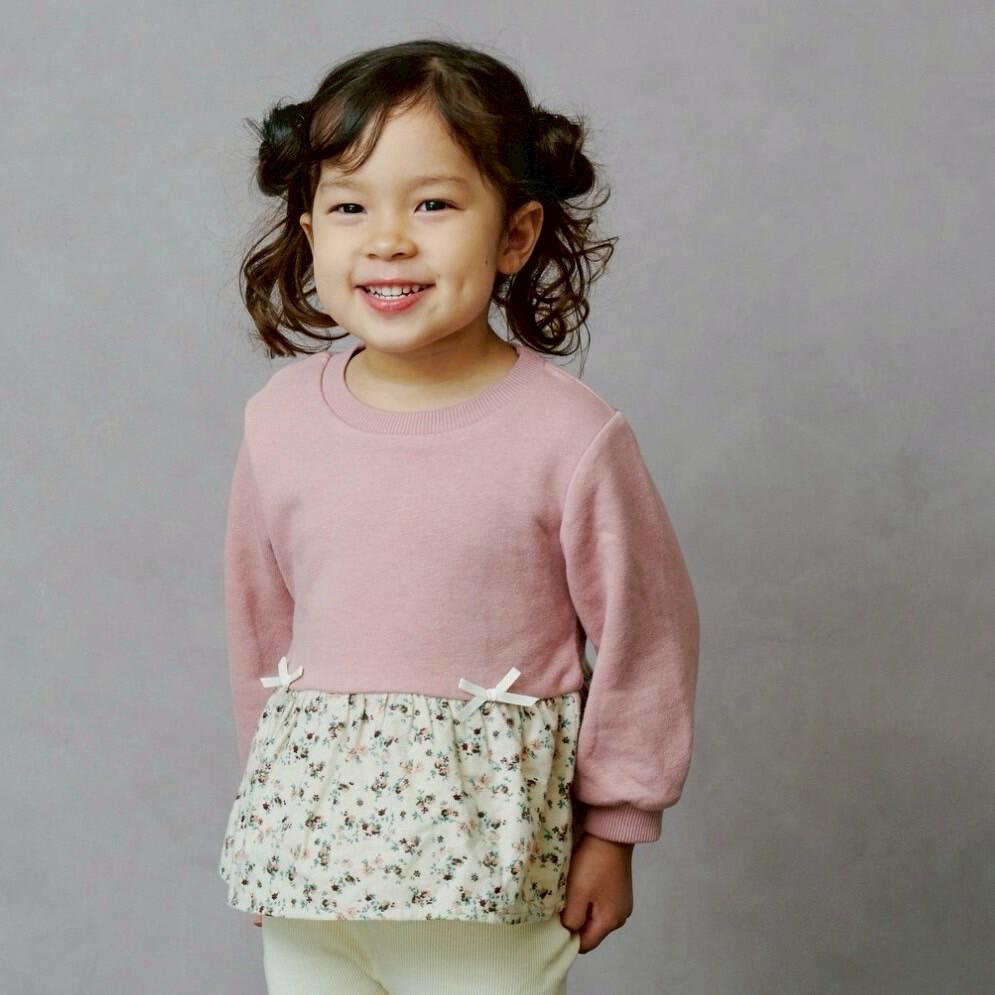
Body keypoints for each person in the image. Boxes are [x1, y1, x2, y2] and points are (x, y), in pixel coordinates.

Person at [217, 37, 701, 995]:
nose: (387, 240)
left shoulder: (569, 434)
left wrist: (615, 827)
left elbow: (647, 638)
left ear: (514, 236)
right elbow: (260, 629)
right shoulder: (278, 422)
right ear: (309, 231)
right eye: (349, 207)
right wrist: (271, 819)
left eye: (432, 204)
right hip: (311, 866)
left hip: (485, 872)